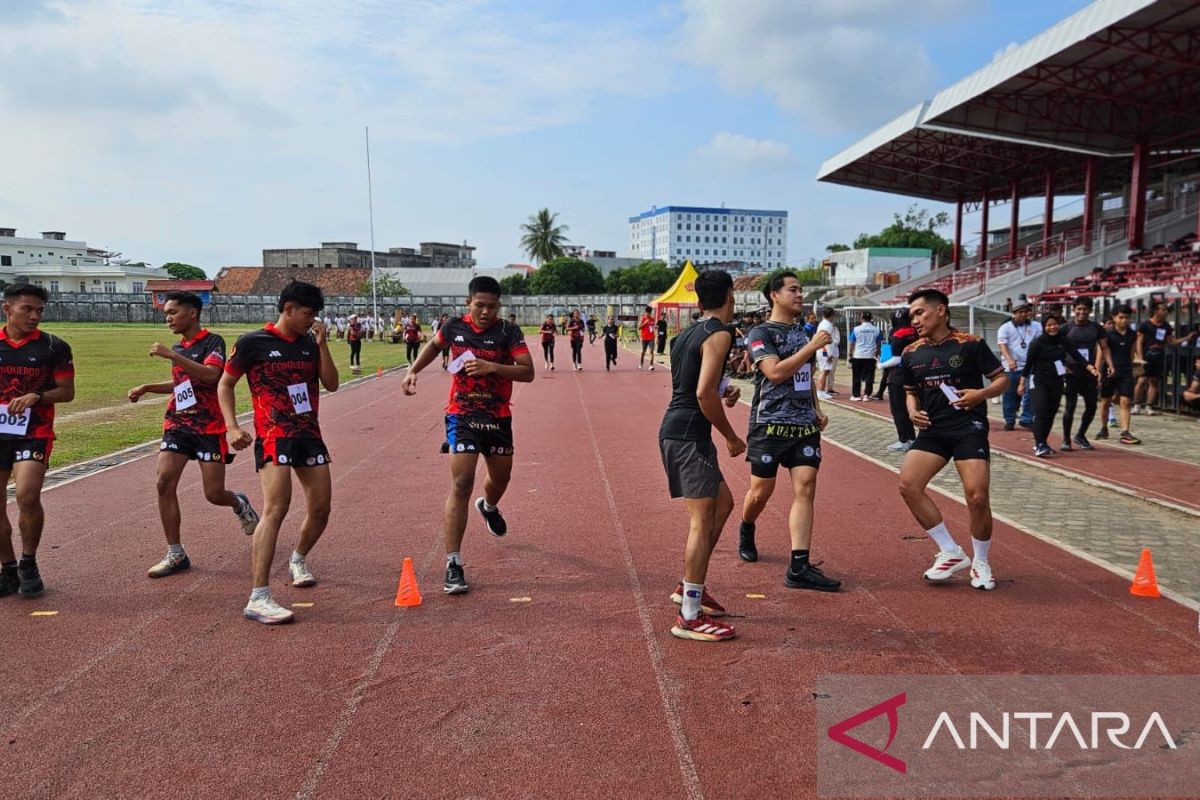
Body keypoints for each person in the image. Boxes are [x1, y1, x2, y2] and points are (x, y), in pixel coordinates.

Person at [402, 276, 534, 595]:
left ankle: (488, 506)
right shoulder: (453, 327)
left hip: (498, 417)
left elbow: (528, 372)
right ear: (468, 303)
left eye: (492, 306)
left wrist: (493, 367)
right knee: (461, 483)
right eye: (480, 305)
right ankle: (453, 563)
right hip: (461, 415)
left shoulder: (508, 332)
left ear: (498, 306)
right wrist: (413, 371)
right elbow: (434, 347)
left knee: (500, 479)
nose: (486, 312)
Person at [219, 280, 339, 625]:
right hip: (274, 436)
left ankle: (298, 559)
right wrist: (232, 427)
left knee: (321, 509)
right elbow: (225, 384)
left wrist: (322, 344)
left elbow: (330, 383)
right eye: (307, 313)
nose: (311, 320)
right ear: (288, 309)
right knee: (276, 508)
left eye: (315, 314)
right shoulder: (252, 342)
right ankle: (259, 596)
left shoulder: (308, 343)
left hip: (309, 435)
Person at [128, 291, 260, 578]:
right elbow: (182, 383)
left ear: (192, 313)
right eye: (166, 314)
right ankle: (175, 553)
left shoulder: (213, 342)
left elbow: (212, 376)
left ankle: (239, 503)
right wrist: (148, 386)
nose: (168, 319)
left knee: (213, 494)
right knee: (163, 482)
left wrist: (173, 355)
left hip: (208, 426)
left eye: (172, 313)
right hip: (178, 423)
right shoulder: (179, 346)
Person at [898, 288, 1008, 591]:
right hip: (933, 430)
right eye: (911, 316)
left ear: (941, 310)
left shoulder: (970, 345)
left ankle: (981, 561)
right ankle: (950, 551)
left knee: (977, 496)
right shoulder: (911, 353)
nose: (915, 320)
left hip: (968, 427)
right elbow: (910, 391)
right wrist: (912, 411)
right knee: (908, 485)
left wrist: (980, 394)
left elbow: (1002, 380)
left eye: (920, 313)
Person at [736, 273, 840, 591]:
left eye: (801, 290)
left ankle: (799, 566)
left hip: (803, 424)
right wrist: (810, 347)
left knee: (806, 487)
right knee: (760, 492)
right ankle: (747, 526)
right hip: (769, 424)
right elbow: (776, 372)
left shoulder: (803, 331)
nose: (799, 295)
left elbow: (803, 376)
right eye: (792, 290)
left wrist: (817, 409)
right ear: (774, 296)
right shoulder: (760, 332)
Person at [659, 270, 744, 642]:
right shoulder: (721, 333)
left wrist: (724, 388)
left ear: (698, 301)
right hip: (688, 434)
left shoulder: (684, 336)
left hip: (681, 430)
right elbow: (702, 393)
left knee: (723, 504)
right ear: (731, 297)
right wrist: (731, 436)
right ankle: (689, 615)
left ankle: (687, 586)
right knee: (701, 519)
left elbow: (693, 381)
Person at [0, 284, 74, 598]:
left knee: (28, 496)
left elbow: (67, 392)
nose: (34, 316)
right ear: (7, 308)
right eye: (27, 309)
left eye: (39, 310)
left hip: (34, 430)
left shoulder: (54, 346)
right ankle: (8, 568)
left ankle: (29, 562)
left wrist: (37, 396)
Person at [1020, 313, 1095, 457]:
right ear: (1044, 327)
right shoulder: (1037, 342)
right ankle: (1039, 444)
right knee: (1041, 411)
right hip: (1039, 380)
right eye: (1049, 325)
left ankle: (1043, 442)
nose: (1053, 327)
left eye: (1055, 324)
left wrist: (1090, 367)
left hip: (1057, 380)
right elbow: (1028, 364)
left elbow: (1076, 355)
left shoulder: (1063, 340)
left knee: (1051, 413)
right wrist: (1022, 383)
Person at [1061, 298, 1110, 451]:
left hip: (1090, 371)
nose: (1082, 312)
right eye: (1079, 309)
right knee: (1071, 406)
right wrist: (1063, 366)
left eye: (1085, 309)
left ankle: (1081, 435)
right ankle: (1066, 439)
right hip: (1071, 370)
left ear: (1090, 310)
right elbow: (1058, 349)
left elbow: (1104, 347)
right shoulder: (1066, 328)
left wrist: (1107, 366)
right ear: (1074, 309)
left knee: (1091, 406)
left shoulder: (1096, 328)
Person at [1135, 303, 1198, 415]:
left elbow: (1171, 341)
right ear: (1156, 311)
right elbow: (1139, 342)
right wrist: (1140, 357)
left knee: (1154, 381)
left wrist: (1186, 338)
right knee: (1142, 380)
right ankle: (1137, 404)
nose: (1165, 312)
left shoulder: (1166, 326)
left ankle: (1149, 406)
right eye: (1163, 310)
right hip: (1146, 356)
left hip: (1159, 356)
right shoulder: (1145, 325)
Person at [995, 301, 1041, 431]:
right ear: (1014, 313)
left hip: (1030, 365)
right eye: (1020, 312)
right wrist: (1009, 360)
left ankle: (1026, 419)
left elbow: (1040, 342)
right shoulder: (1006, 327)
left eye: (1026, 312)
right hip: (1012, 366)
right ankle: (1009, 419)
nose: (1024, 314)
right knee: (1010, 394)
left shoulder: (1036, 326)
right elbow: (1002, 345)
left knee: (1030, 393)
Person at [1097, 306, 1140, 444]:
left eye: (1127, 317)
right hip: (1109, 371)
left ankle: (1125, 430)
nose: (1124, 320)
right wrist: (1097, 372)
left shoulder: (1133, 335)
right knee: (1105, 401)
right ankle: (1104, 427)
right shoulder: (1106, 334)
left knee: (1126, 401)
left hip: (1125, 370)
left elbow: (1132, 353)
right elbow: (1100, 354)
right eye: (1121, 317)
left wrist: (1133, 368)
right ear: (1114, 318)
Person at [879, 307, 918, 451]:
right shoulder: (917, 332)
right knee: (913, 408)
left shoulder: (898, 334)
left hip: (898, 376)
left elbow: (896, 358)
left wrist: (881, 364)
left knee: (898, 409)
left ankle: (904, 439)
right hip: (915, 374)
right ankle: (913, 438)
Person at [848, 311, 881, 401]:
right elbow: (878, 343)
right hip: (870, 355)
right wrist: (877, 353)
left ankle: (856, 395)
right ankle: (867, 394)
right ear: (871, 319)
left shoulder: (856, 329)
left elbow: (852, 342)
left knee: (856, 376)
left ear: (861, 318)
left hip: (858, 355)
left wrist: (850, 354)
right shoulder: (876, 329)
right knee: (869, 376)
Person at [815, 307, 840, 399]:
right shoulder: (827, 325)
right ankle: (819, 391)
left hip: (824, 350)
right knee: (824, 370)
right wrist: (829, 354)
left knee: (826, 370)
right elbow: (826, 340)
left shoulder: (825, 324)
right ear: (832, 315)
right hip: (824, 351)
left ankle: (821, 390)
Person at [639, 307, 657, 371]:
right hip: (644, 337)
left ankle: (651, 365)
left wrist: (655, 327)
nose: (648, 314)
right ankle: (641, 363)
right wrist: (645, 323)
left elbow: (654, 326)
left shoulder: (653, 319)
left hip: (651, 337)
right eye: (647, 313)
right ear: (645, 312)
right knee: (643, 351)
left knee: (651, 351)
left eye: (649, 313)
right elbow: (639, 328)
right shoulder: (643, 318)